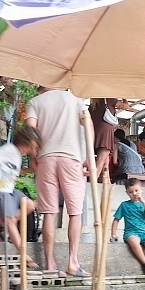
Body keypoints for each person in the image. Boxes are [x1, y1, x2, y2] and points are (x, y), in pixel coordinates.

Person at [25, 87, 91, 277]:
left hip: (45, 159)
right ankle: (73, 262)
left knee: (49, 213)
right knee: (75, 213)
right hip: (71, 159)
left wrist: (33, 157)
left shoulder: (36, 102)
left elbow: (30, 129)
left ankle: (50, 264)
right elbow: (87, 126)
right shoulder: (75, 99)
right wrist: (87, 158)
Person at [0, 125, 41, 266]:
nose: (33, 151)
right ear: (26, 142)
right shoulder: (9, 149)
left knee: (31, 205)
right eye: (33, 147)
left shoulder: (17, 156)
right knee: (12, 220)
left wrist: (31, 169)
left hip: (10, 190)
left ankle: (8, 224)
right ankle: (24, 256)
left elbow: (15, 172)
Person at [110, 178, 145, 275]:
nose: (134, 193)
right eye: (131, 192)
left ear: (141, 190)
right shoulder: (124, 205)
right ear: (127, 193)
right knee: (133, 241)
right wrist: (113, 234)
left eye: (136, 191)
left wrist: (143, 201)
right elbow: (116, 219)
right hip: (131, 233)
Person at [89, 98, 119, 177]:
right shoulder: (110, 99)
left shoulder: (93, 104)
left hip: (95, 132)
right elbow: (125, 106)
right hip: (105, 133)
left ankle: (107, 182)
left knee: (105, 163)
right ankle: (93, 181)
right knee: (100, 160)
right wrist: (124, 97)